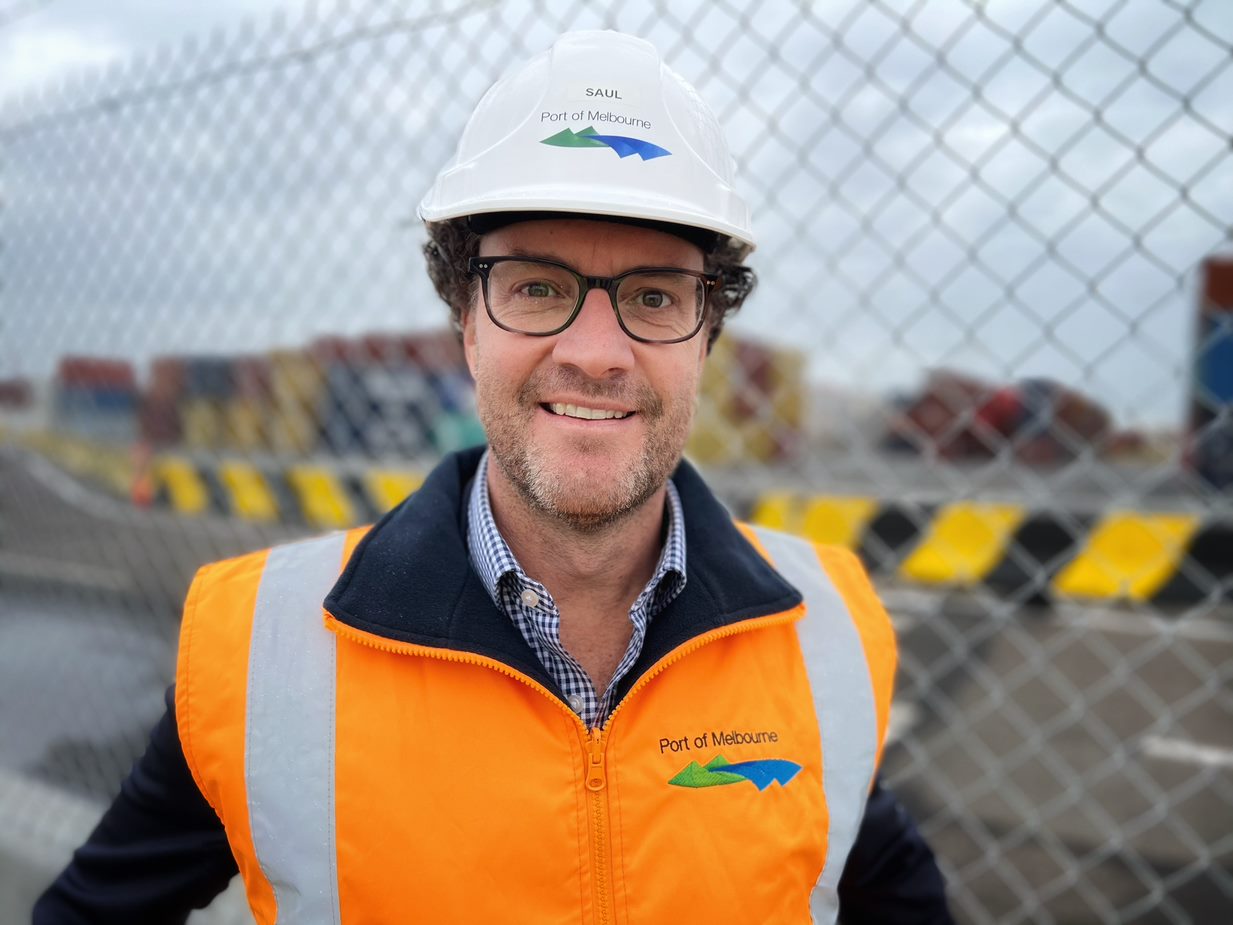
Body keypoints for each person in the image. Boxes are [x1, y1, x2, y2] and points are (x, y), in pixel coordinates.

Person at [35, 30, 952, 924]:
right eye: (538, 286)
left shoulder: (825, 630)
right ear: (465, 322)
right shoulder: (256, 653)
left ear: (707, 337)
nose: (596, 354)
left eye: (654, 296)